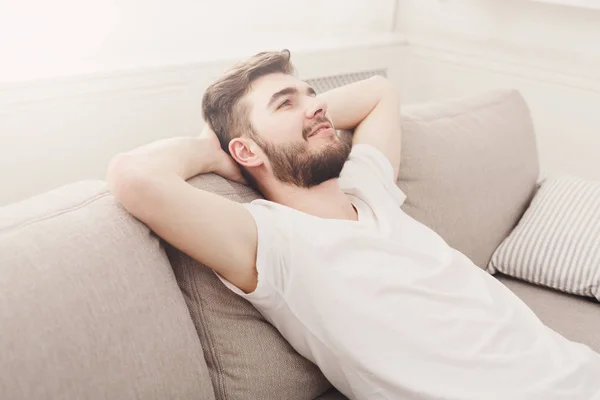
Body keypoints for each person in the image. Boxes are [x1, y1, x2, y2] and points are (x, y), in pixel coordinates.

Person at [107, 49, 600, 400]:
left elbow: (379, 93)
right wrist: (218, 151)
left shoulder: (369, 188)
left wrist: (286, 123)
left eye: (312, 94)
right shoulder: (272, 243)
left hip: (577, 371)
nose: (316, 105)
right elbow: (134, 176)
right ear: (245, 150)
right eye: (286, 103)